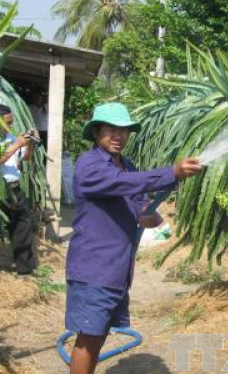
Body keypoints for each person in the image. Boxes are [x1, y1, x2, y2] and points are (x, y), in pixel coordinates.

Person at [65, 102, 202, 374]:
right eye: (111, 129)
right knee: (88, 338)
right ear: (96, 132)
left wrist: (148, 214)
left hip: (117, 268)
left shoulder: (126, 165)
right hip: (94, 267)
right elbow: (120, 184)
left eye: (124, 130)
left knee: (100, 333)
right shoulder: (89, 165)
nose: (118, 136)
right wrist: (170, 172)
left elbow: (137, 199)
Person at [0, 104, 37, 275]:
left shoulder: (13, 137)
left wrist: (29, 144)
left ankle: (24, 267)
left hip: (14, 188)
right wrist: (17, 145)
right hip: (2, 188)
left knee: (23, 223)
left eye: (11, 121)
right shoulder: (14, 141)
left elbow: (26, 159)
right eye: (8, 122)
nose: (11, 125)